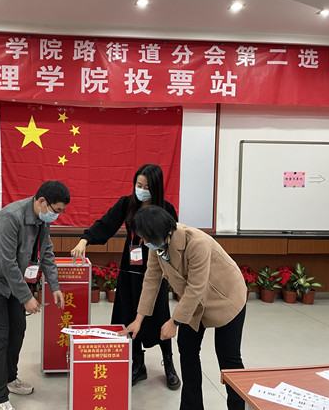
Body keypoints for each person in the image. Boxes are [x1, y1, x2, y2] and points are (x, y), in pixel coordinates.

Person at [120, 205, 247, 410]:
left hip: (226, 298)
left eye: (144, 237)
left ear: (157, 232)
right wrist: (139, 319)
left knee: (228, 358)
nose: (143, 242)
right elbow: (151, 280)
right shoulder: (157, 246)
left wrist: (174, 322)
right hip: (194, 303)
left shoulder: (196, 242)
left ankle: (238, 407)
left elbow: (196, 288)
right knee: (187, 350)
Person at [70, 164, 180, 390]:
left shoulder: (166, 208)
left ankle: (168, 363)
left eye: (147, 187)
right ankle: (138, 364)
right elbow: (105, 224)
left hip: (156, 267)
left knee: (159, 312)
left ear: (156, 188)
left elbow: (173, 241)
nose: (141, 190)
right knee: (129, 310)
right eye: (138, 185)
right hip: (130, 267)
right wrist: (84, 240)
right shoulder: (126, 203)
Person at [0, 180, 70, 410]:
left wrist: (54, 286)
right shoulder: (11, 217)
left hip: (14, 283)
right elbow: (7, 262)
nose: (57, 216)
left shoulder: (42, 219)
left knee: (17, 331)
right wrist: (26, 297)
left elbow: (46, 252)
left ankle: (9, 378)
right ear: (42, 201)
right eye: (56, 210)